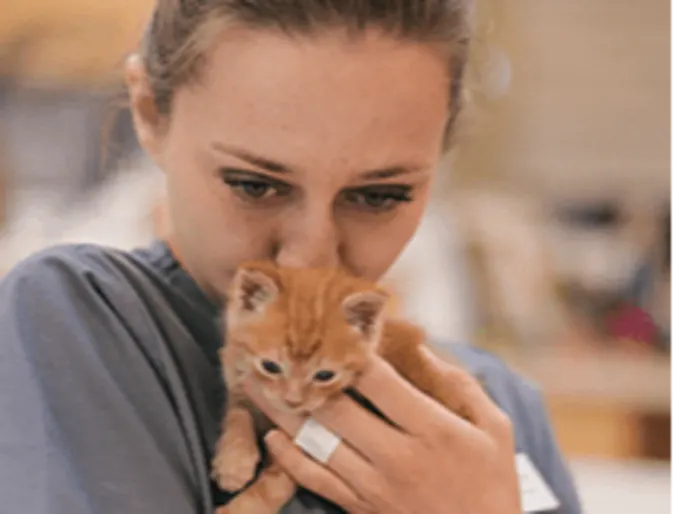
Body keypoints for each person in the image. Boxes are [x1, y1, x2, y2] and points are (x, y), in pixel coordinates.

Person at [0, 1, 583, 513]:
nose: (309, 258)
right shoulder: (80, 327)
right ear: (151, 114)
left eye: (378, 196)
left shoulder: (495, 408)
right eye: (255, 185)